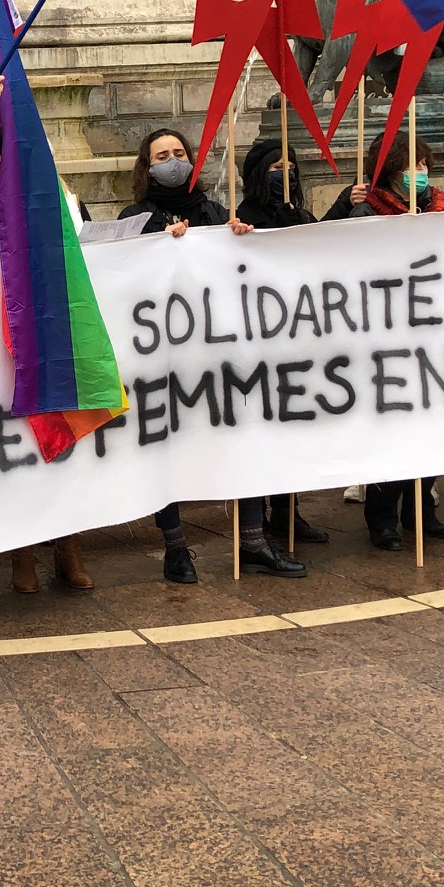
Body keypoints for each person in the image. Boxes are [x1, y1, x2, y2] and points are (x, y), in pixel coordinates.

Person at [119, 128, 302, 579]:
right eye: (162, 155)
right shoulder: (135, 217)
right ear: (147, 165)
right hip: (165, 357)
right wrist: (156, 246)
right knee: (169, 450)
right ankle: (176, 547)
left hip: (220, 354)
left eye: (179, 153)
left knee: (244, 438)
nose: (172, 160)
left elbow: (237, 269)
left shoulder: (215, 211)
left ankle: (254, 540)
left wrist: (238, 235)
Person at [0, 80, 97, 594]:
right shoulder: (0, 189)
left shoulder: (64, 194)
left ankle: (69, 548)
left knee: (68, 431)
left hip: (64, 324)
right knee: (23, 438)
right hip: (18, 320)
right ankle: (23, 555)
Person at [329, 132, 444, 548]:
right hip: (384, 339)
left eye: (424, 166)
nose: (419, 174)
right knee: (391, 432)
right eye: (409, 167)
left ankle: (421, 510)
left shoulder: (443, 210)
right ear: (389, 172)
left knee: (432, 427)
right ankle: (381, 517)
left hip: (432, 334)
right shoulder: (366, 211)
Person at [234, 136, 337, 546]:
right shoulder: (243, 216)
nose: (286, 174)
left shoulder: (300, 214)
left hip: (299, 342)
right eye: (276, 168)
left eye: (290, 167)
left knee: (294, 435)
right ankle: (262, 523)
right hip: (260, 348)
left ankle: (288, 513)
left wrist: (345, 206)